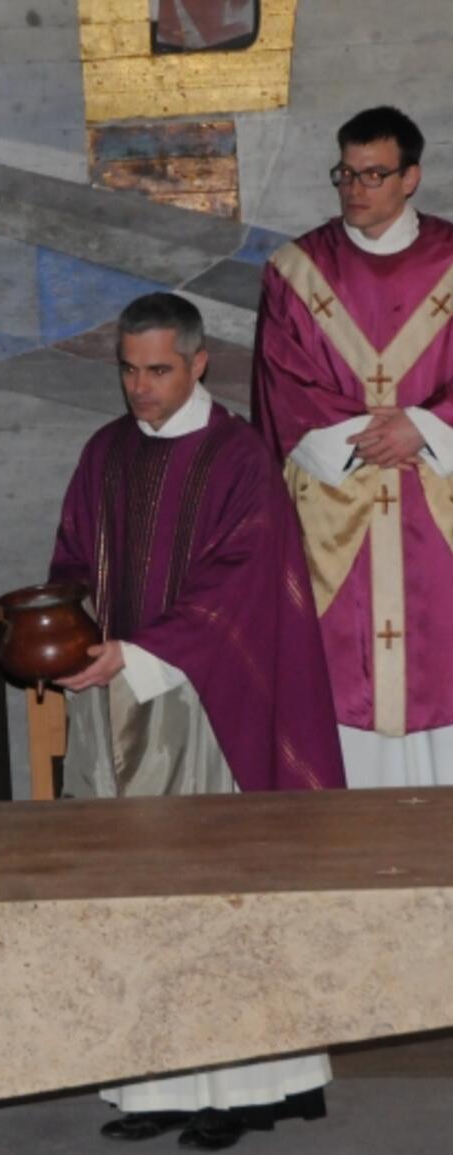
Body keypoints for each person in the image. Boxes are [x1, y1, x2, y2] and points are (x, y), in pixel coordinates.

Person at [49, 293, 345, 1151]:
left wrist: (138, 653)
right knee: (134, 897)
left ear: (198, 362)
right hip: (116, 706)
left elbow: (244, 586)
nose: (140, 389)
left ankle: (247, 1084)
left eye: (158, 371)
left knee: (215, 894)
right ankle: (157, 1083)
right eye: (128, 371)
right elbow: (73, 558)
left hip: (210, 708)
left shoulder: (240, 457)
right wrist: (55, 628)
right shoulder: (104, 453)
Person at [253, 106, 453, 788]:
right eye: (346, 173)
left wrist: (424, 428)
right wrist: (379, 437)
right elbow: (283, 391)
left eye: (373, 174)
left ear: (411, 177)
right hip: (340, 522)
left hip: (440, 517)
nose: (355, 188)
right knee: (343, 687)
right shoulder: (295, 272)